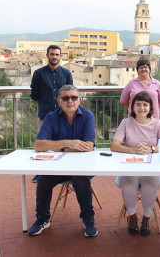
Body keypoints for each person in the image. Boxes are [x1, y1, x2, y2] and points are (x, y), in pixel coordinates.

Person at [28, 85, 98, 237]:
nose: (70, 101)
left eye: (73, 97)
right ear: (59, 101)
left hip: (81, 167)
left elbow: (88, 146)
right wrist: (68, 143)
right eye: (65, 98)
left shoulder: (88, 116)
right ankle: (42, 219)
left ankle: (88, 220)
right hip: (57, 167)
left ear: (79, 100)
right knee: (43, 179)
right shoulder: (51, 117)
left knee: (81, 180)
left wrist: (59, 147)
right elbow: (39, 145)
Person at [111, 91, 160, 236]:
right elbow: (114, 145)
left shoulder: (157, 124)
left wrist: (151, 149)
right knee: (129, 180)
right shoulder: (126, 123)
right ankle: (132, 216)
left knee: (149, 181)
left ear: (150, 107)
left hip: (152, 166)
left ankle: (147, 218)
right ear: (132, 107)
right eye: (138, 104)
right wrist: (133, 150)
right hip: (131, 164)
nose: (141, 108)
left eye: (145, 104)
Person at [30, 45, 73, 183]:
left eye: (57, 54)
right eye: (52, 54)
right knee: (43, 145)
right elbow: (35, 95)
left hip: (63, 115)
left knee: (63, 143)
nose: (54, 57)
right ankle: (41, 173)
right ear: (47, 55)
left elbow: (70, 94)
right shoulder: (39, 74)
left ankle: (64, 171)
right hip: (45, 115)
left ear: (61, 56)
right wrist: (45, 108)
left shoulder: (66, 74)